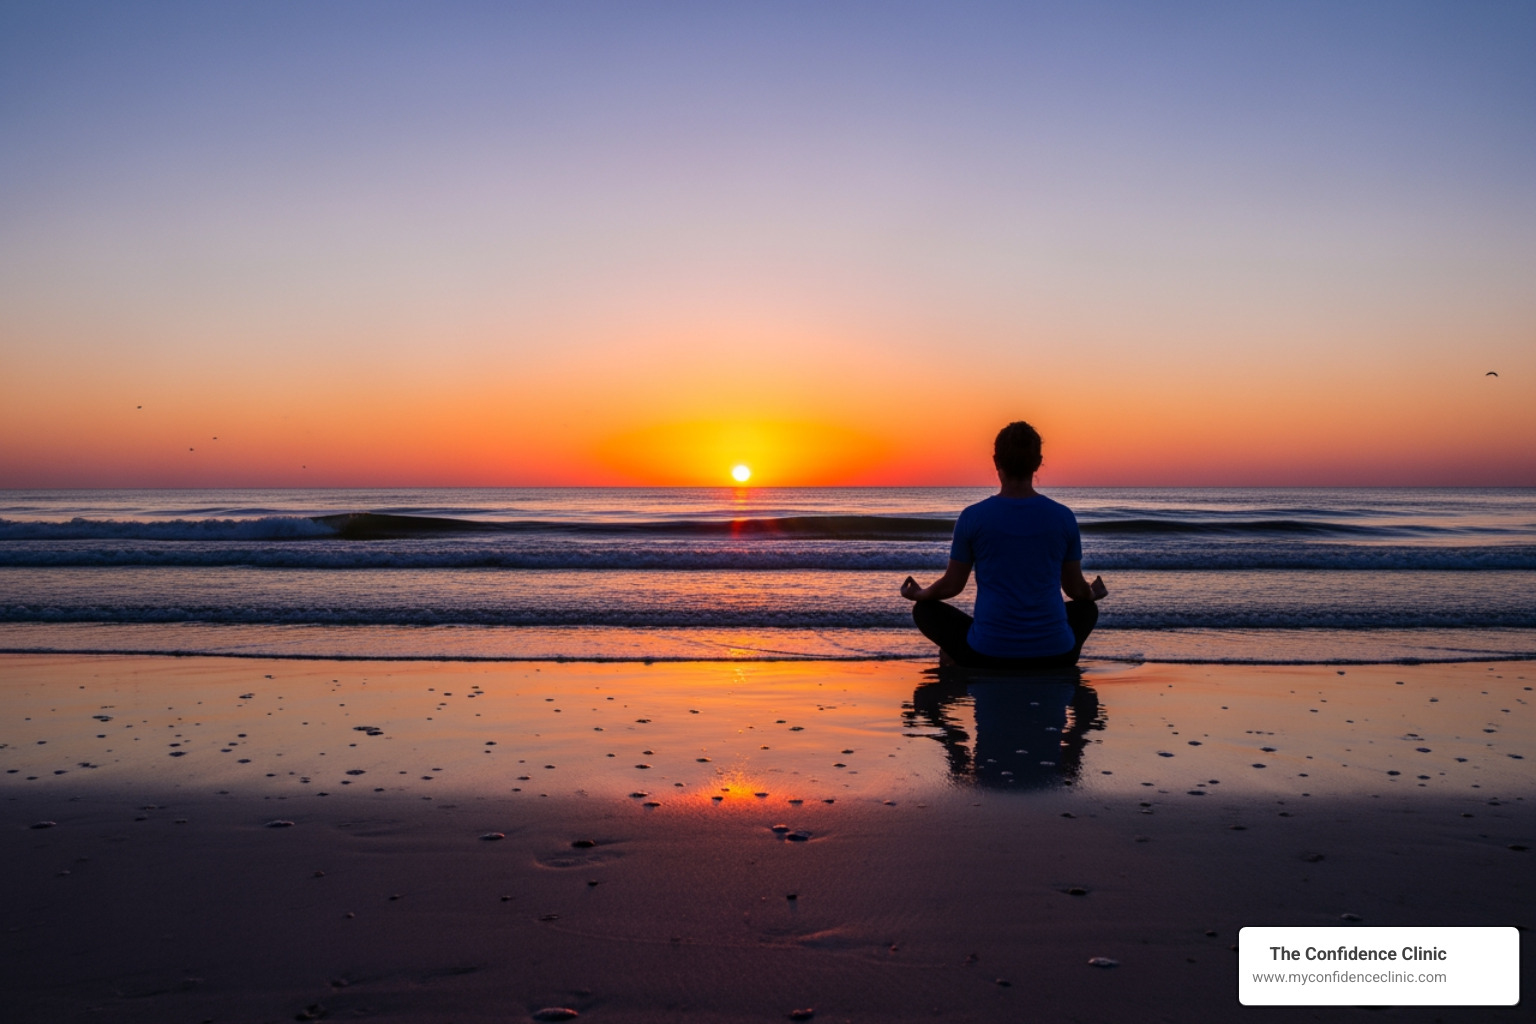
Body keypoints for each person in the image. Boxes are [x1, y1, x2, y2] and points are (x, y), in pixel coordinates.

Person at [900, 421, 1106, 668]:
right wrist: (1093, 593)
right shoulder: (1063, 517)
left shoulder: (973, 517)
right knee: (1087, 610)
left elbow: (952, 586)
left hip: (988, 655)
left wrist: (919, 594)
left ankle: (956, 665)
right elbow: (1075, 590)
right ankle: (1050, 654)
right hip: (1056, 655)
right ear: (1038, 462)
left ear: (996, 461)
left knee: (924, 611)